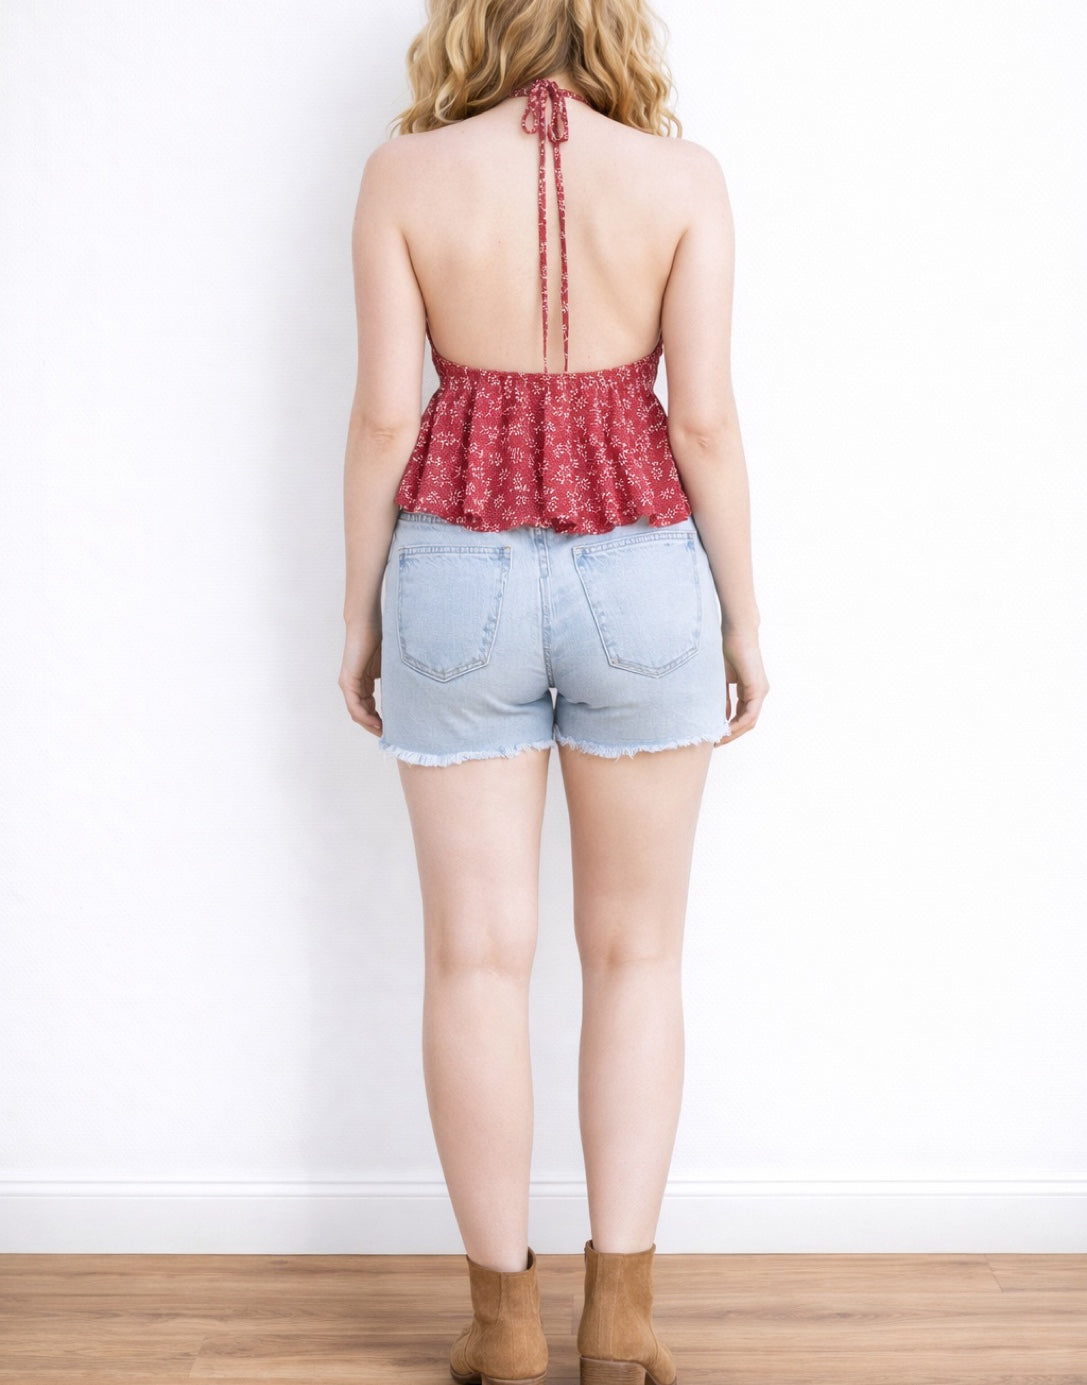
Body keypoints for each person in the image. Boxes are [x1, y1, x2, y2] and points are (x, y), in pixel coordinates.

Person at [338, 1, 768, 1380]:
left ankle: (505, 1328)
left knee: (476, 957)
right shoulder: (683, 180)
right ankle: (623, 1320)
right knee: (635, 952)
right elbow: (700, 417)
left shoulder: (404, 176)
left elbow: (387, 416)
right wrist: (744, 620)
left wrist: (359, 609)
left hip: (453, 578)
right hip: (642, 577)